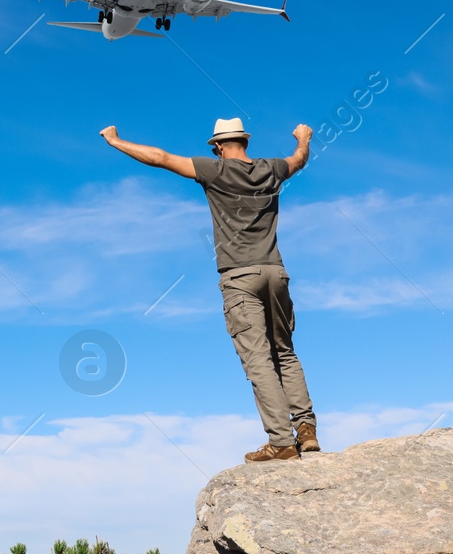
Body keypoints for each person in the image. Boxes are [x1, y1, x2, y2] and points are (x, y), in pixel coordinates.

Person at [99, 118, 319, 462]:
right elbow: (299, 159)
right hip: (276, 272)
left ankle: (282, 442)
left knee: (258, 360)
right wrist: (303, 138)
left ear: (218, 146)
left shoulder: (214, 171)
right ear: (244, 141)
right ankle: (306, 431)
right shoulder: (272, 169)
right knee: (285, 352)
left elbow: (159, 157)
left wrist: (116, 141)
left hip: (239, 277)